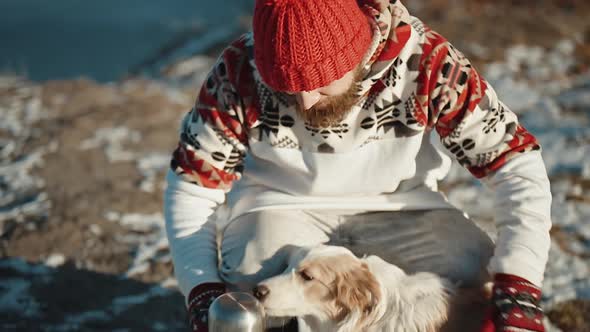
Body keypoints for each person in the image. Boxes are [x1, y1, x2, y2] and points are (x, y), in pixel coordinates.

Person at [163, 0, 552, 331]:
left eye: (320, 83)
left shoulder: (428, 62)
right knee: (245, 289)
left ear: (357, 51)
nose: (305, 102)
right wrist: (202, 291)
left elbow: (515, 164)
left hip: (401, 208)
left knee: (475, 271)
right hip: (282, 209)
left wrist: (519, 283)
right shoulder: (237, 72)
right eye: (286, 86)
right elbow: (192, 187)